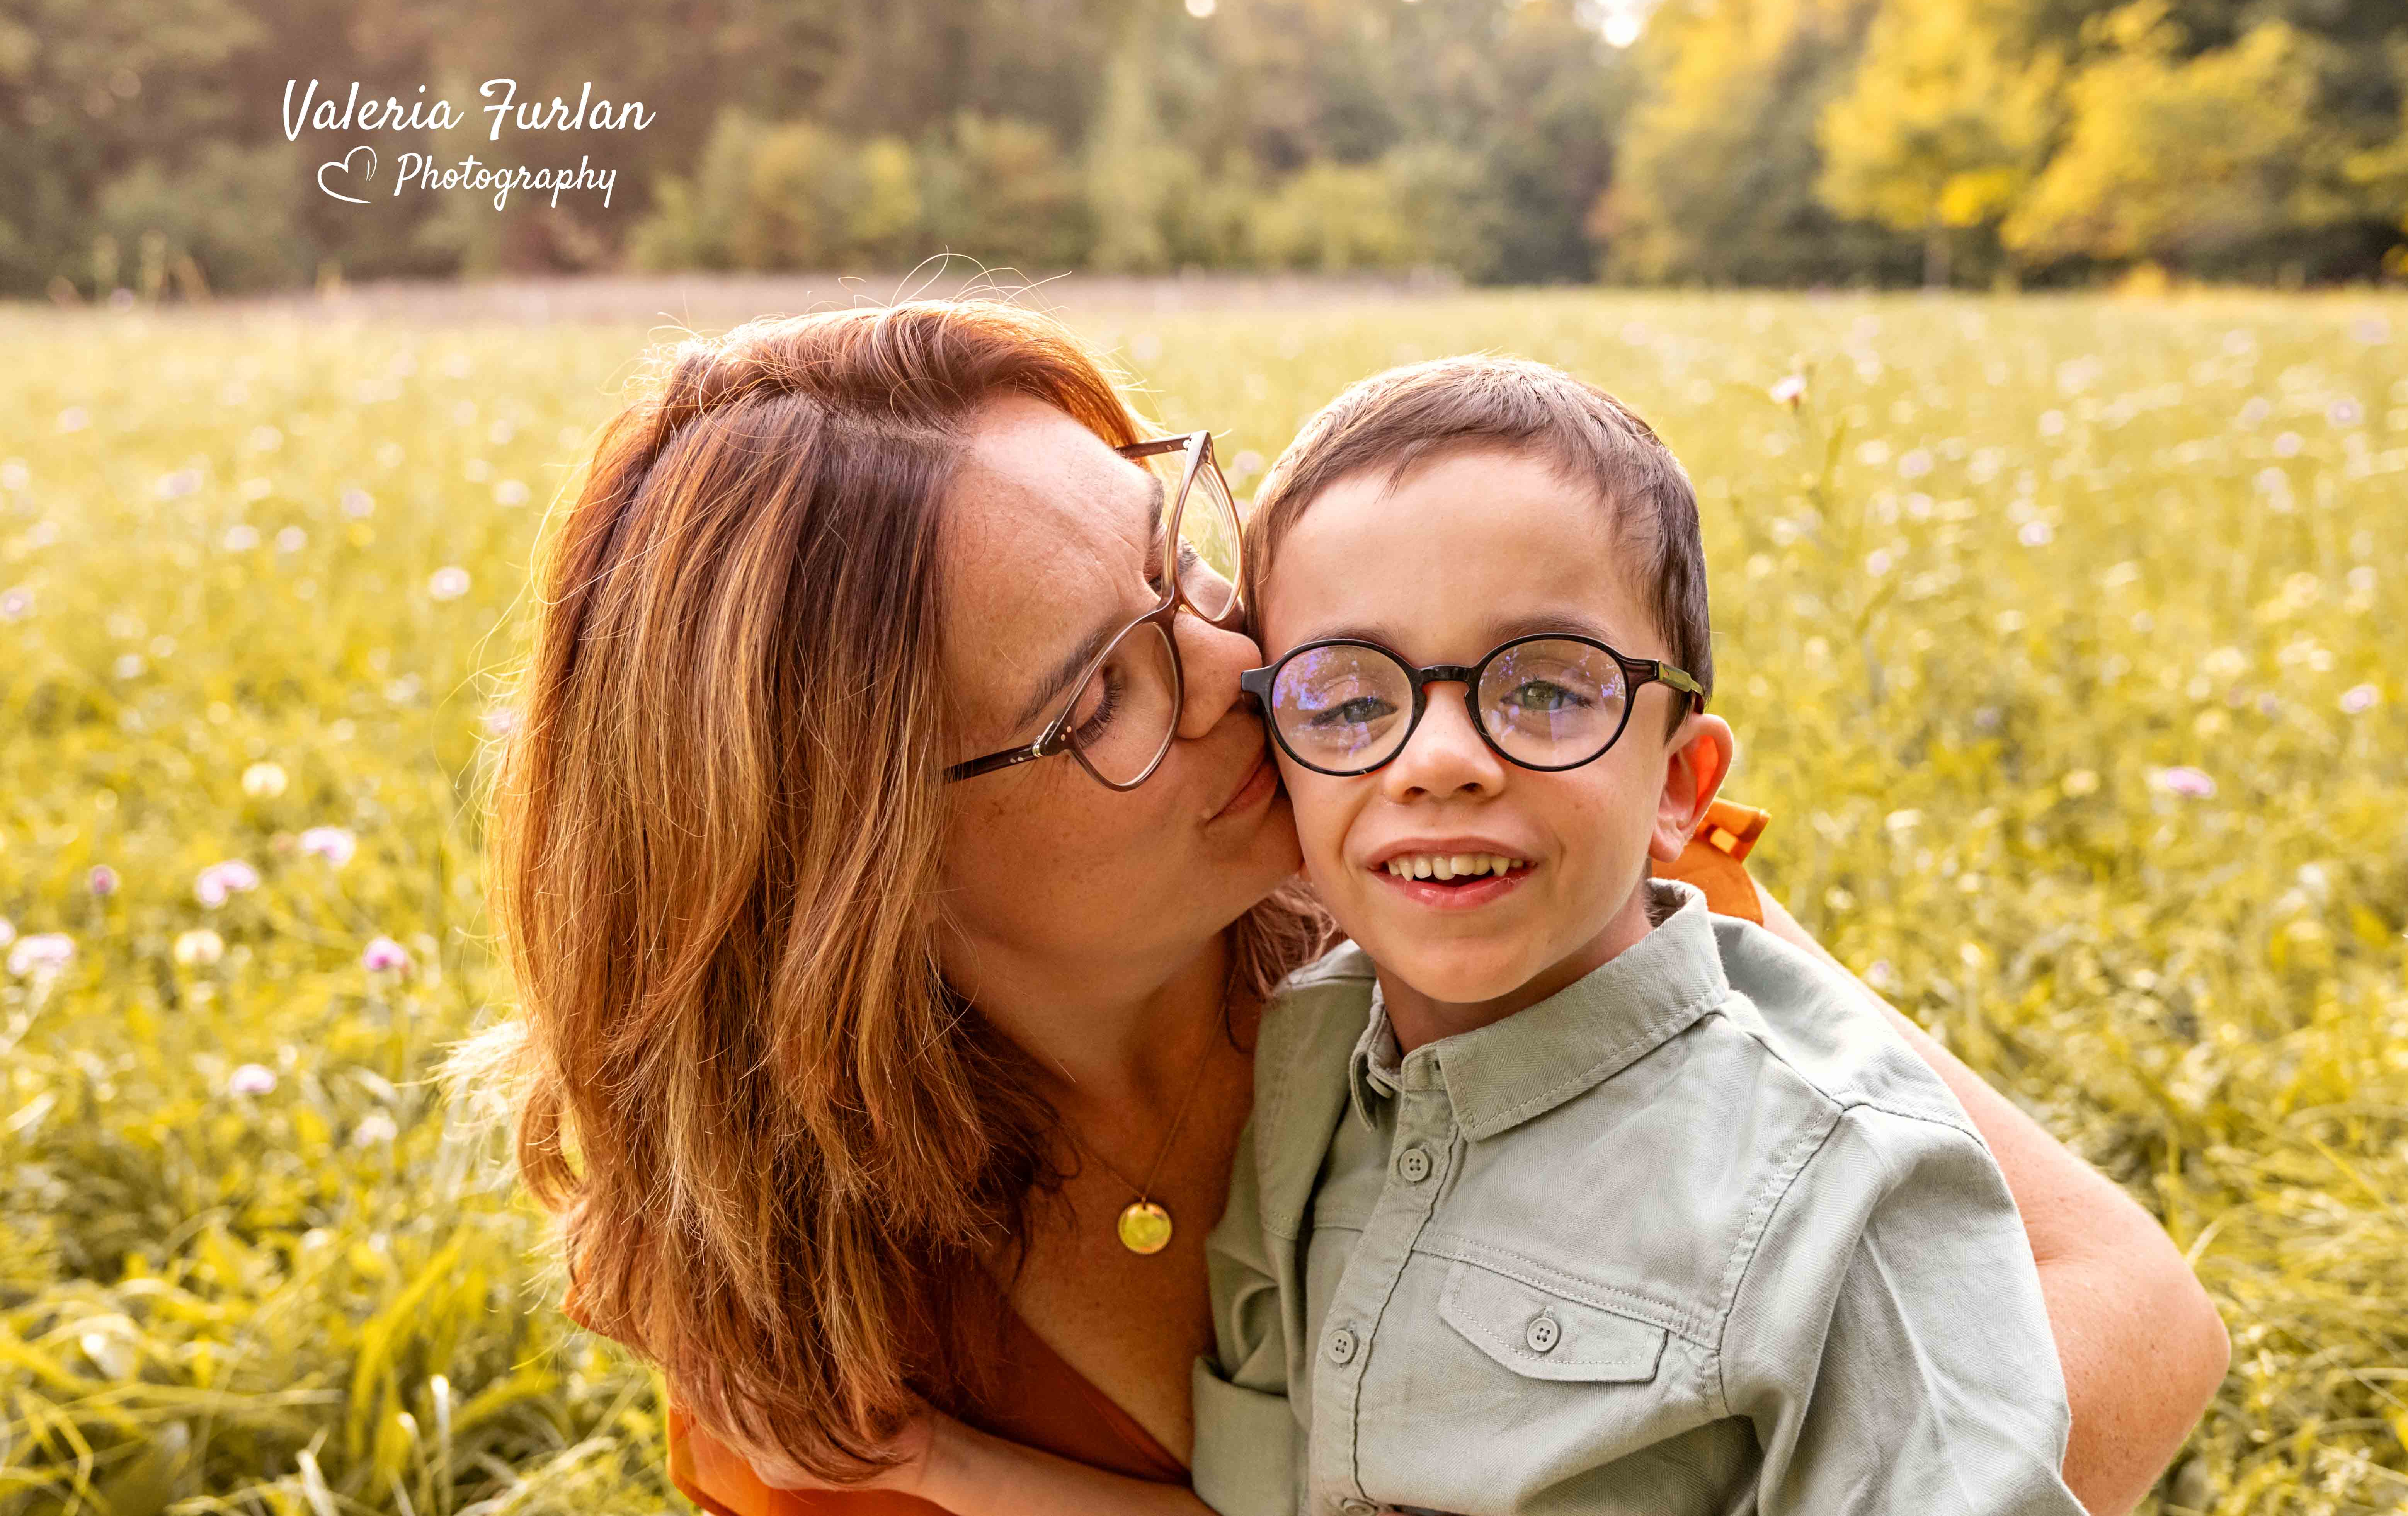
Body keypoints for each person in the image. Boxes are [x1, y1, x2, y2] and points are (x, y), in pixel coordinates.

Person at [465, 299, 2228, 1516]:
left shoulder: (1514, 899)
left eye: (1185, 565)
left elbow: (2132, 1314)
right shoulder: (803, 1320)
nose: (1249, 672)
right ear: (852, 874)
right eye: (1105, 692)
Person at [1178, 354, 2093, 1514]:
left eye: (1548, 689)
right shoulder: (1301, 1066)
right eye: (1351, 699)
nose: (1442, 760)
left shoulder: (1836, 1186)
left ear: (1679, 786)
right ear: (1279, 762)